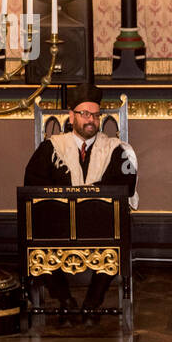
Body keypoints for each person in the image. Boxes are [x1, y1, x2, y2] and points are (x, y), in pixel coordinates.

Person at [23, 84, 138, 323]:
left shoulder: (117, 150)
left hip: (100, 223)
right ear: (71, 116)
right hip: (59, 225)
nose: (91, 120)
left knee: (115, 225)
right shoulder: (51, 148)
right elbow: (32, 184)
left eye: (95, 115)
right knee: (38, 231)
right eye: (85, 114)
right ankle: (65, 300)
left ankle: (93, 302)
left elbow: (125, 185)